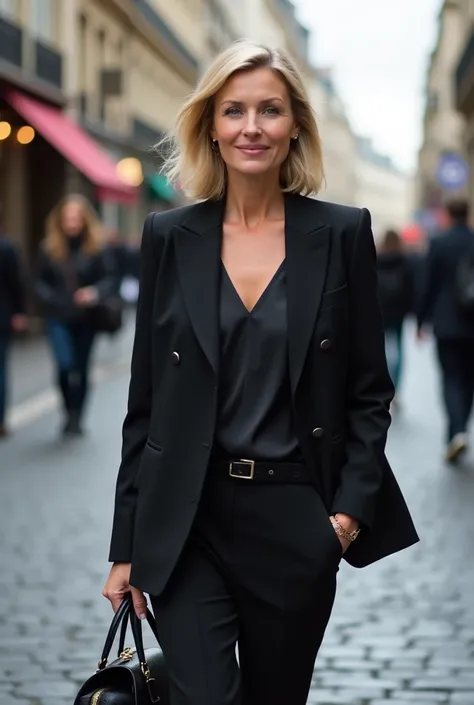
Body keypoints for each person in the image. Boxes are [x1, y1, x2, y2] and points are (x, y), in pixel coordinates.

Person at [103, 41, 418, 705]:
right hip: (187, 522)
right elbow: (146, 404)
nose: (252, 126)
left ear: (296, 123)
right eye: (234, 110)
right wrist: (125, 545)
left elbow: (368, 392)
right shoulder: (169, 235)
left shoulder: (339, 233)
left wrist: (344, 518)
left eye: (270, 110)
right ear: (211, 125)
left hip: (295, 519)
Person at [35, 194, 113, 436]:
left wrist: (93, 292)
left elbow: (109, 279)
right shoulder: (49, 248)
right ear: (59, 220)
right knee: (64, 366)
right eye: (68, 217)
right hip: (59, 316)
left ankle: (77, 417)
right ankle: (68, 409)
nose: (72, 222)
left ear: (85, 220)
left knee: (82, 368)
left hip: (86, 318)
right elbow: (38, 281)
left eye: (77, 218)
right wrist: (52, 299)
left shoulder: (95, 248)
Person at [417, 198, 474, 463]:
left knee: (451, 378)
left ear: (448, 215)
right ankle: (460, 428)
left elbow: (428, 284)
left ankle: (457, 432)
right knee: (468, 380)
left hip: (446, 323)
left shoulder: (439, 243)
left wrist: (420, 321)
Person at [376, 228, 415, 404]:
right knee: (398, 349)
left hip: (379, 309)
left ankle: (381, 386)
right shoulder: (405, 260)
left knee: (379, 349)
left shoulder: (375, 257)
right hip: (398, 311)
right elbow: (412, 286)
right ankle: (396, 389)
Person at [0, 203, 27, 438]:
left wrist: (19, 312)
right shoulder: (7, 247)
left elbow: (16, 284)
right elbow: (17, 284)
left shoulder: (7, 248)